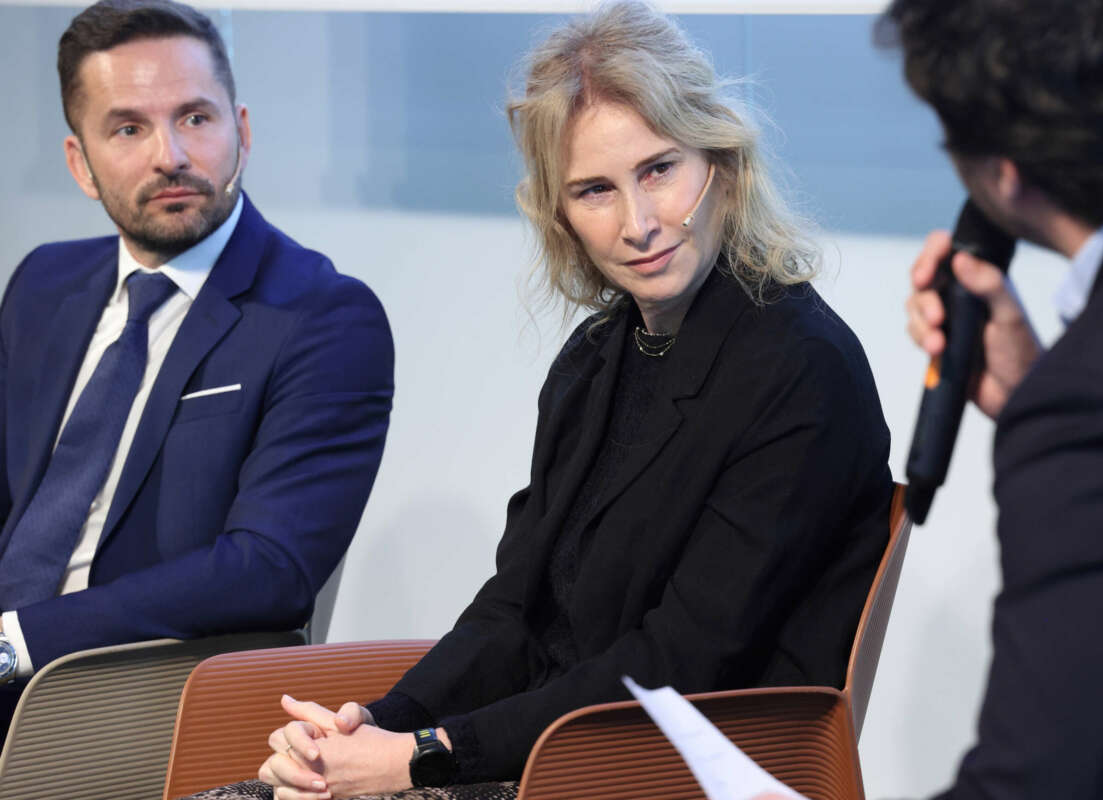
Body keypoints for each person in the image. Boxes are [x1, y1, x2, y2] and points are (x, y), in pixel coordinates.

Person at [191, 3, 891, 799]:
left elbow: (682, 665)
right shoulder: (596, 358)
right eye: (595, 190)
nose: (640, 223)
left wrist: (424, 753)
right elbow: (513, 612)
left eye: (660, 169)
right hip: (557, 753)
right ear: (560, 215)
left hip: (673, 770)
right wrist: (377, 727)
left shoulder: (802, 366)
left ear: (720, 167)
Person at [0, 0, 393, 737]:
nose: (170, 156)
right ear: (80, 163)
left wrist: (15, 642)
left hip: (122, 699)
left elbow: (267, 568)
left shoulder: (322, 317)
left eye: (196, 119)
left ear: (240, 132)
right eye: (128, 128)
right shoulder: (42, 286)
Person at [880, 0, 1103, 796]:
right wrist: (1045, 384)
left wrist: (1074, 399)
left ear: (1006, 173)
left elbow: (1044, 782)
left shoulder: (1101, 409)